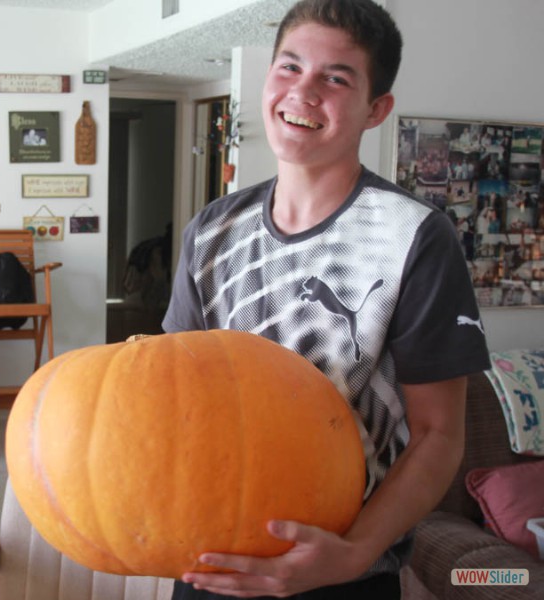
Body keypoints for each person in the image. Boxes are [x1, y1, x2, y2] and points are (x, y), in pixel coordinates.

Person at [162, 1, 490, 598]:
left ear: (376, 109)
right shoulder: (210, 231)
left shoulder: (413, 236)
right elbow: (177, 392)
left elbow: (440, 435)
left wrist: (355, 552)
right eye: (289, 68)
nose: (304, 92)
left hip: (341, 573)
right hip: (213, 561)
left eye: (336, 78)